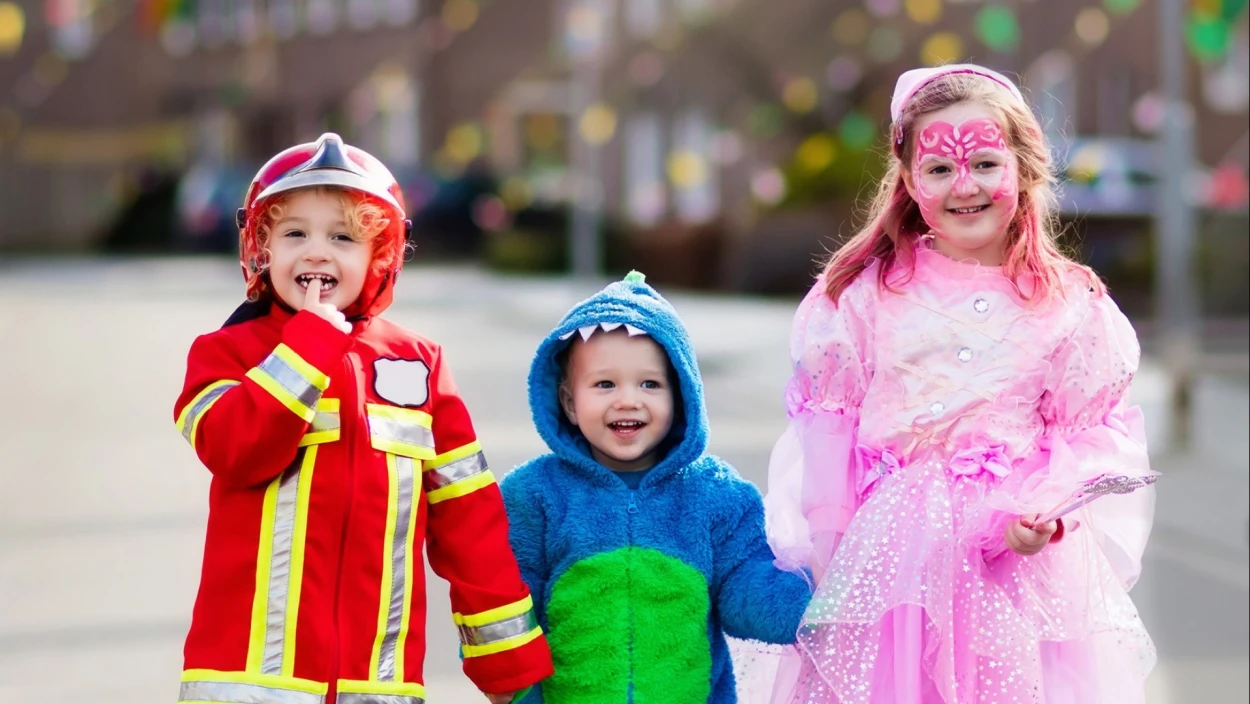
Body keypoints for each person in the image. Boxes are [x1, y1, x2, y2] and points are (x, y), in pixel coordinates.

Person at [763, 65, 1158, 703]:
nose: (963, 186)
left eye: (985, 164)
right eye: (940, 169)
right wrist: (828, 556)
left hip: (1011, 581)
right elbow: (826, 430)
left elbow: (1090, 436)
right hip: (890, 578)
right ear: (910, 178)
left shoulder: (1070, 306)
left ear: (1024, 167)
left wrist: (1045, 514)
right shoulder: (864, 298)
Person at [172, 133, 553, 704]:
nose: (317, 252)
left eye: (343, 237)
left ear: (380, 258)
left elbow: (469, 519)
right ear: (262, 249)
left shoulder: (422, 365)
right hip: (249, 685)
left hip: (378, 685)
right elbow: (236, 450)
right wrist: (308, 347)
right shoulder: (225, 354)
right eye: (295, 233)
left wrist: (508, 666)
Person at [501, 271, 812, 703]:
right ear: (570, 403)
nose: (628, 399)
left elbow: (748, 595)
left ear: (680, 395)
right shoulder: (534, 496)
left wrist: (816, 595)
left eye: (650, 384)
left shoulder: (717, 497)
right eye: (604, 384)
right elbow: (506, 602)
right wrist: (515, 691)